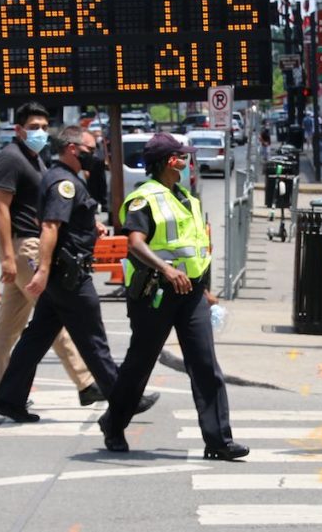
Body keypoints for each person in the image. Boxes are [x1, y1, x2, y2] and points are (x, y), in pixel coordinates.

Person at [0, 125, 158, 423]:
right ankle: (124, 400)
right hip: (69, 275)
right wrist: (42, 271)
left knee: (36, 339)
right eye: (89, 151)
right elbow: (50, 227)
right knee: (93, 340)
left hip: (61, 275)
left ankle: (8, 398)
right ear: (71, 149)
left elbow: (64, 222)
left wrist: (90, 225)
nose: (93, 156)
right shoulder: (63, 183)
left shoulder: (64, 179)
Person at [100, 133, 249, 459]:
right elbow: (135, 243)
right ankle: (114, 422)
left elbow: (197, 249)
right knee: (140, 363)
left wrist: (205, 290)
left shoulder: (187, 198)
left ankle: (219, 441)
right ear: (170, 161)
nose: (187, 160)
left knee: (206, 364)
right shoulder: (144, 198)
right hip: (156, 292)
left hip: (191, 292)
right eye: (183, 156)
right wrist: (167, 270)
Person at [0, 104, 102, 412]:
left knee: (8, 324)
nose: (40, 132)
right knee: (55, 315)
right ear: (18, 129)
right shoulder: (11, 158)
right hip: (26, 248)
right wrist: (8, 256)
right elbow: (0, 208)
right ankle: (86, 382)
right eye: (34, 125)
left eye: (44, 126)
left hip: (27, 247)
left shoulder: (34, 159)